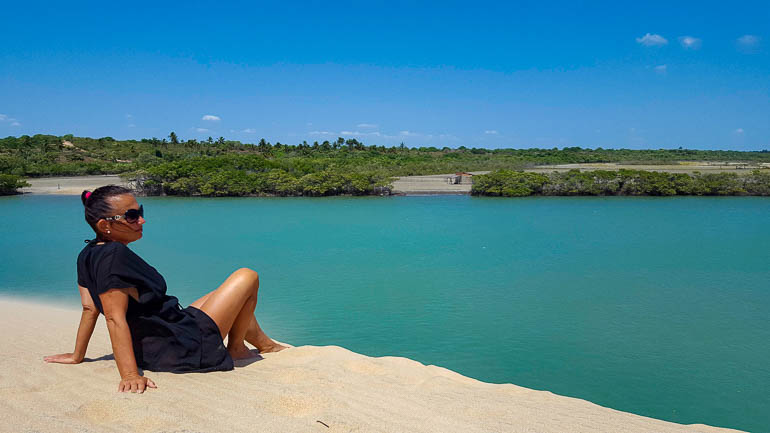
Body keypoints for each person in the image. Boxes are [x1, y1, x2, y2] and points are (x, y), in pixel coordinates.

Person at [44, 185, 286, 393]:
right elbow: (113, 317)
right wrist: (129, 375)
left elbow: (88, 308)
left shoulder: (87, 253)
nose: (141, 220)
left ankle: (265, 344)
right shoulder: (114, 256)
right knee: (247, 276)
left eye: (140, 212)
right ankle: (236, 349)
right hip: (180, 345)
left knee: (228, 296)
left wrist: (78, 356)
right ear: (105, 225)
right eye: (131, 216)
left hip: (166, 333)